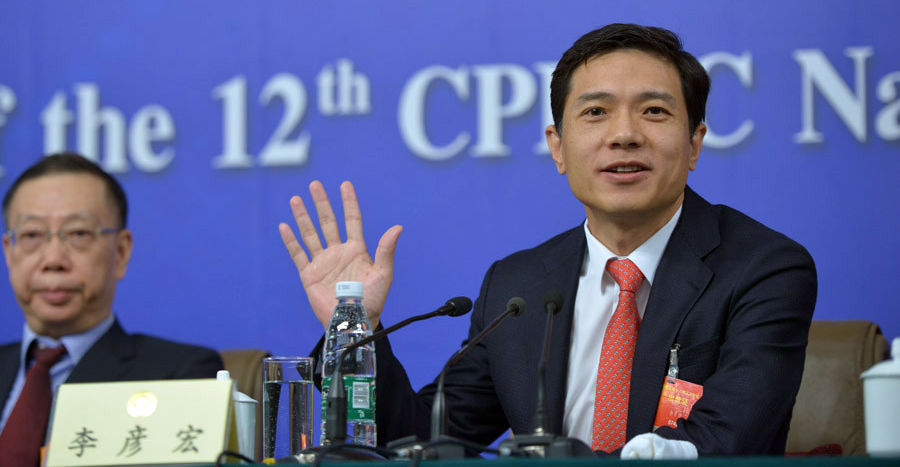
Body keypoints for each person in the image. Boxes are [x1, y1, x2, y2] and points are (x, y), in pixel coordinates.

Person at [279, 23, 817, 456]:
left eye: (654, 111)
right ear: (557, 148)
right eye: (595, 112)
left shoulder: (763, 269)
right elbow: (422, 441)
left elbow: (723, 442)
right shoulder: (518, 287)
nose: (624, 134)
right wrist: (354, 327)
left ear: (695, 143)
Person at [0, 153, 223, 464]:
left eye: (78, 233)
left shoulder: (179, 376)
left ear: (121, 252)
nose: (53, 259)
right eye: (31, 235)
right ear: (9, 253)